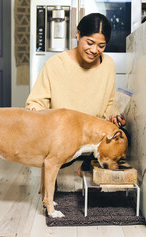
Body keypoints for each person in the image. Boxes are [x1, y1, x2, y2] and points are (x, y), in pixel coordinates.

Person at [25, 13, 126, 177]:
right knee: (55, 155)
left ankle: (87, 167)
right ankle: (53, 174)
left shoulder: (107, 64)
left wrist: (114, 117)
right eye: (90, 43)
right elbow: (36, 102)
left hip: (93, 138)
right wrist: (34, 110)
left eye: (101, 46)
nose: (94, 50)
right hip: (63, 137)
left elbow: (110, 103)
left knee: (124, 136)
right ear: (78, 35)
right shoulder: (55, 64)